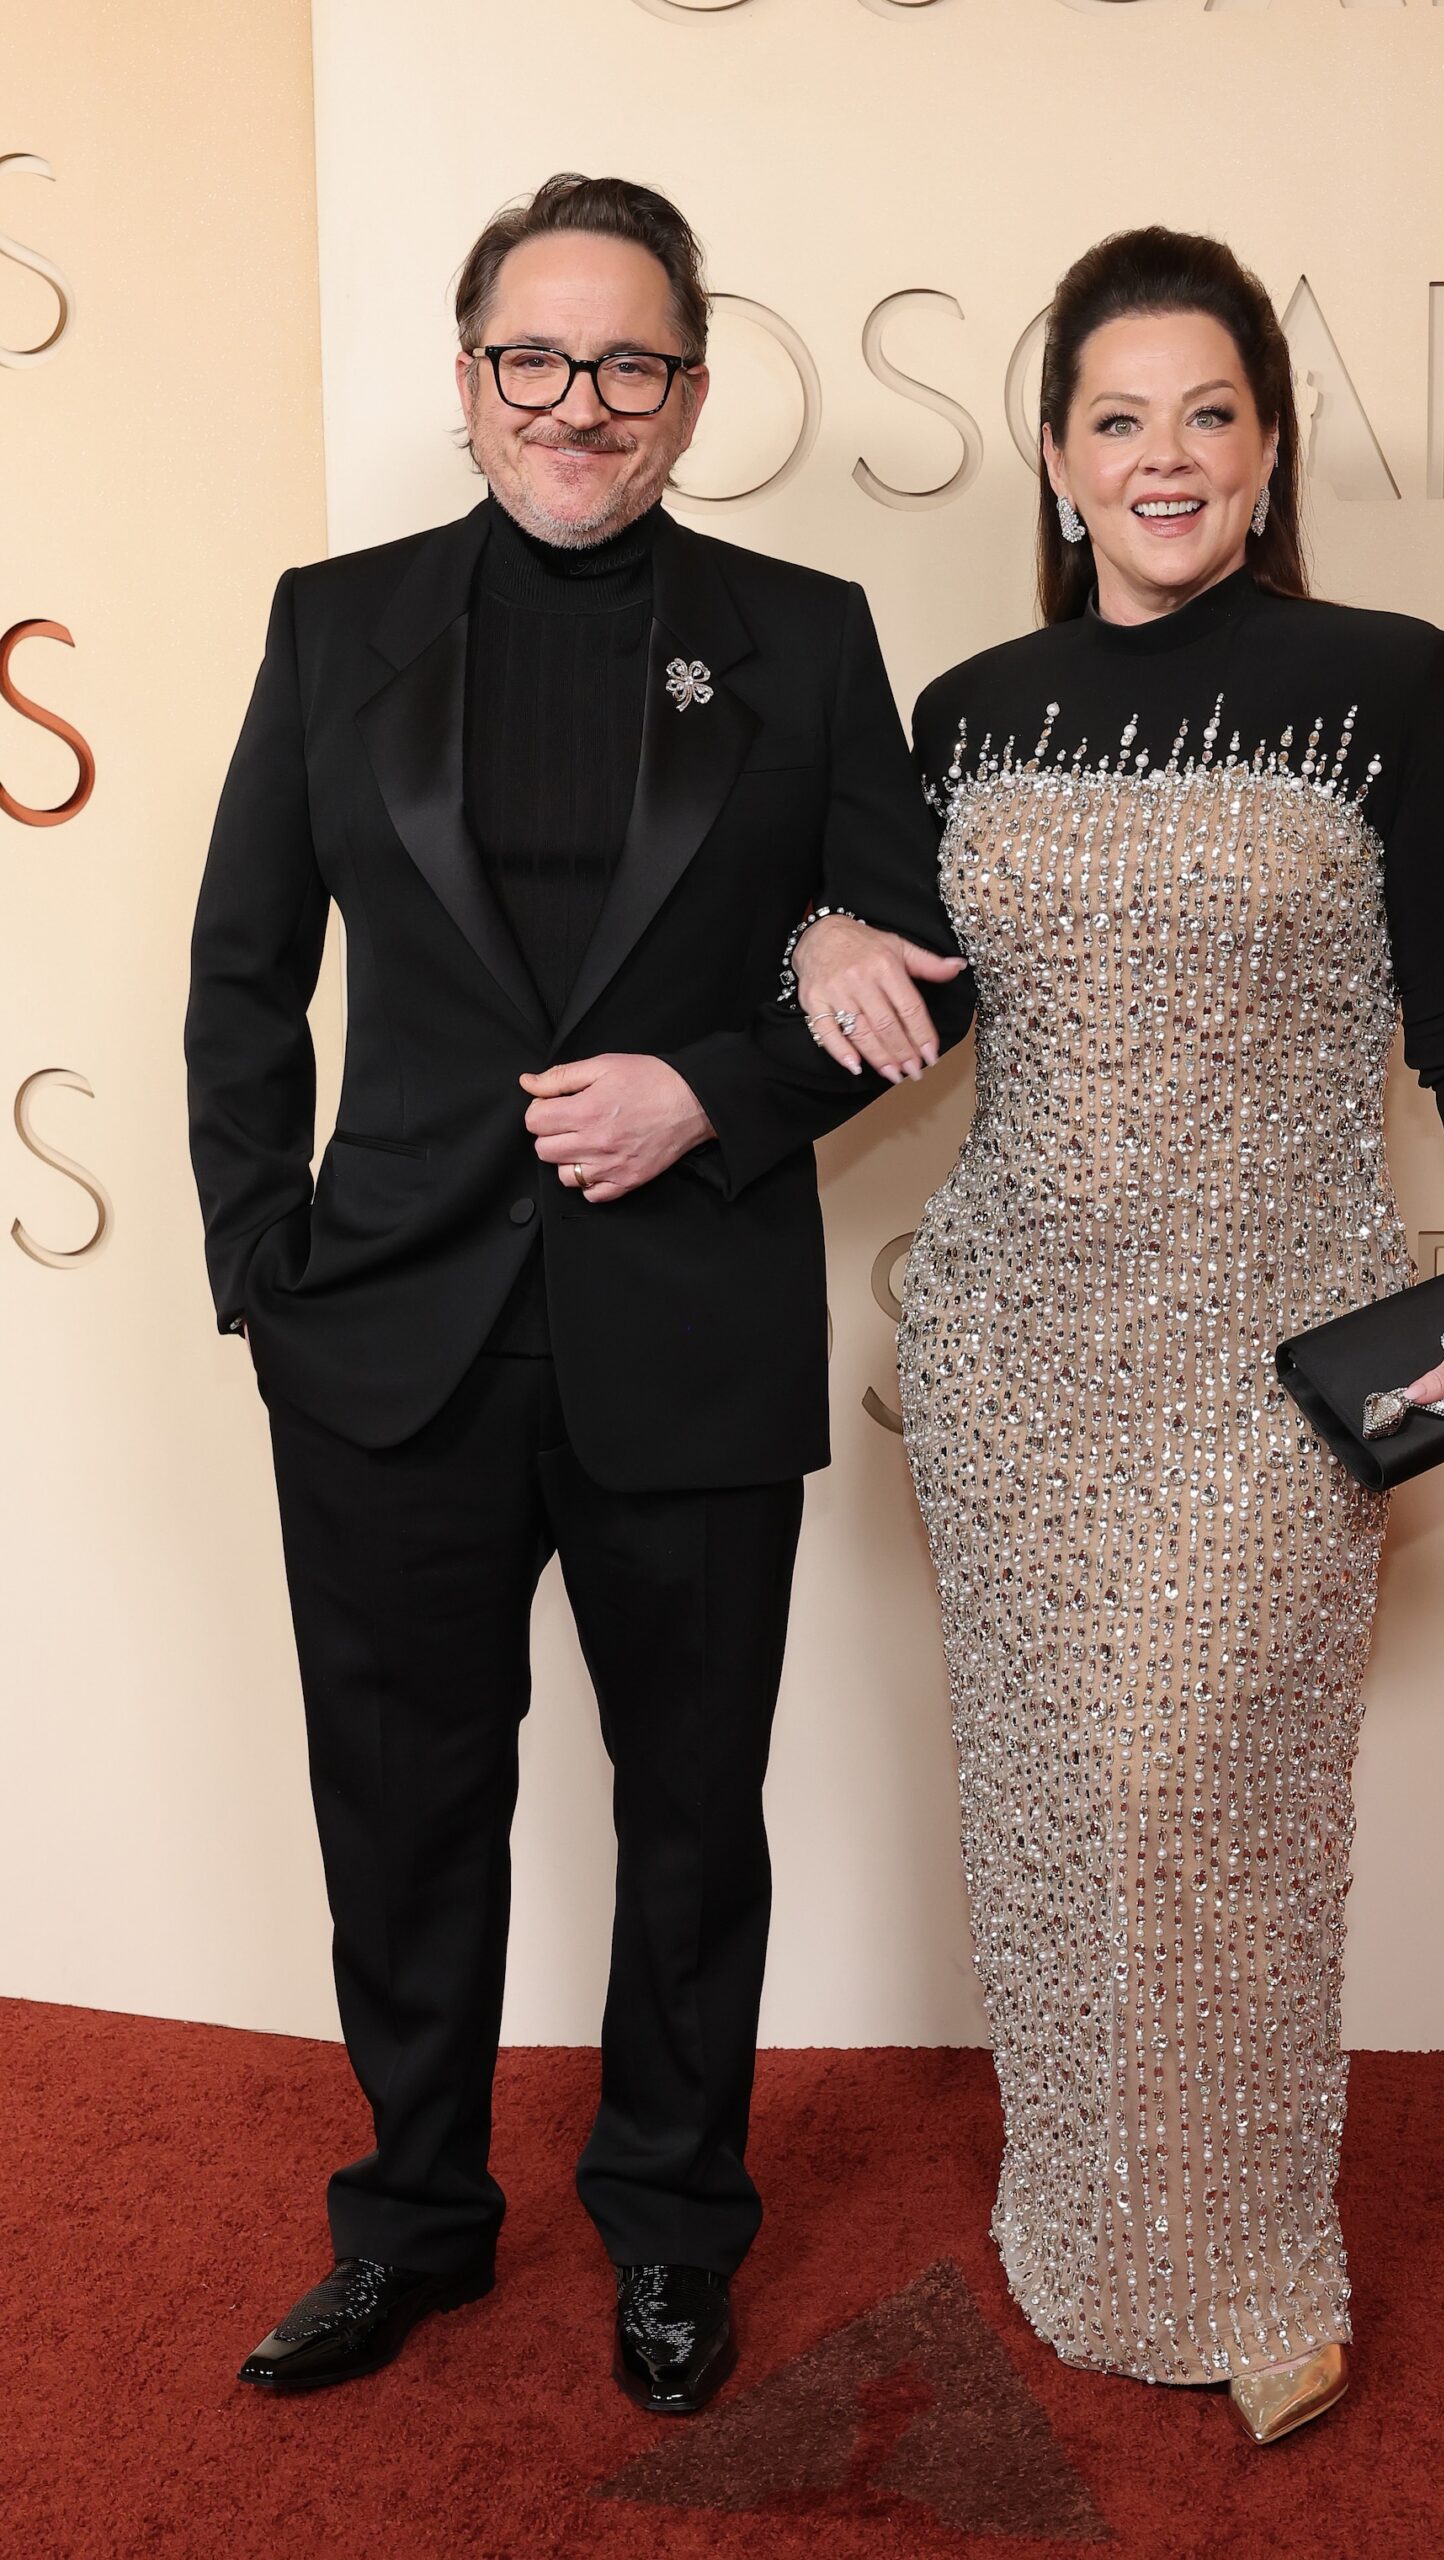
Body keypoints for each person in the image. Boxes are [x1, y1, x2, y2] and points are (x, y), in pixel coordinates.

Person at [185, 172, 969, 2412]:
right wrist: (265, 1273)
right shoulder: (334, 624)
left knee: (690, 1816)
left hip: (687, 1330)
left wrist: (709, 1089)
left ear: (690, 395)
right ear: (468, 380)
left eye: (630, 362)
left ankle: (673, 2227)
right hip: (387, 1338)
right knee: (402, 1807)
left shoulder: (804, 635)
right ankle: (411, 2221)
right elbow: (242, 976)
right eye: (534, 356)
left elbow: (922, 966)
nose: (578, 401)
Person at [792, 226, 1444, 2447]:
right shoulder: (970, 711)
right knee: (1056, 1811)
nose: (1164, 456)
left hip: (1272, 1352)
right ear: (1056, 459)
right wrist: (817, 932)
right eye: (1117, 417)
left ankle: (1249, 2259)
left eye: (1207, 414)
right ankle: (1085, 2225)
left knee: (1203, 1796)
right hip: (1012, 1353)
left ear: (1266, 447)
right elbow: (890, 995)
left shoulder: (1380, 681)